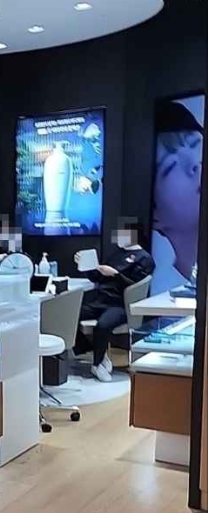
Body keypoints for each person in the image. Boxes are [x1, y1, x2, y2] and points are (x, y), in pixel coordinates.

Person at [74, 222, 155, 382]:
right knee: (70, 316)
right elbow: (99, 278)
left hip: (121, 304)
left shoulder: (145, 258)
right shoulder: (117, 254)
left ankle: (97, 364)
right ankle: (93, 350)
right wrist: (85, 267)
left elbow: (135, 285)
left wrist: (116, 274)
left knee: (103, 325)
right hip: (101, 299)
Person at [151, 98, 203, 293]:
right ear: (155, 216)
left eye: (195, 144)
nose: (195, 163)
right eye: (171, 166)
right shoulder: (164, 289)